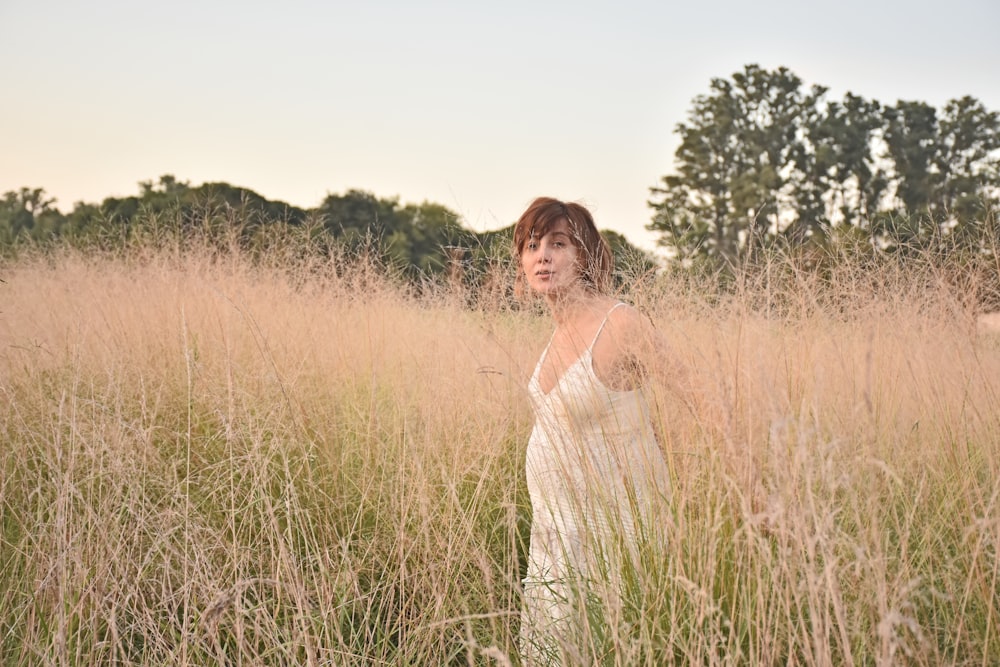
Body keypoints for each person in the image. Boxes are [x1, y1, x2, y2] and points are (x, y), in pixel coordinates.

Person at [513, 197, 673, 663]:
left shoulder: (620, 323)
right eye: (532, 244)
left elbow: (699, 391)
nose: (542, 255)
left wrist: (750, 485)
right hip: (554, 539)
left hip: (609, 539)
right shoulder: (556, 336)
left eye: (557, 243)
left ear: (584, 254)